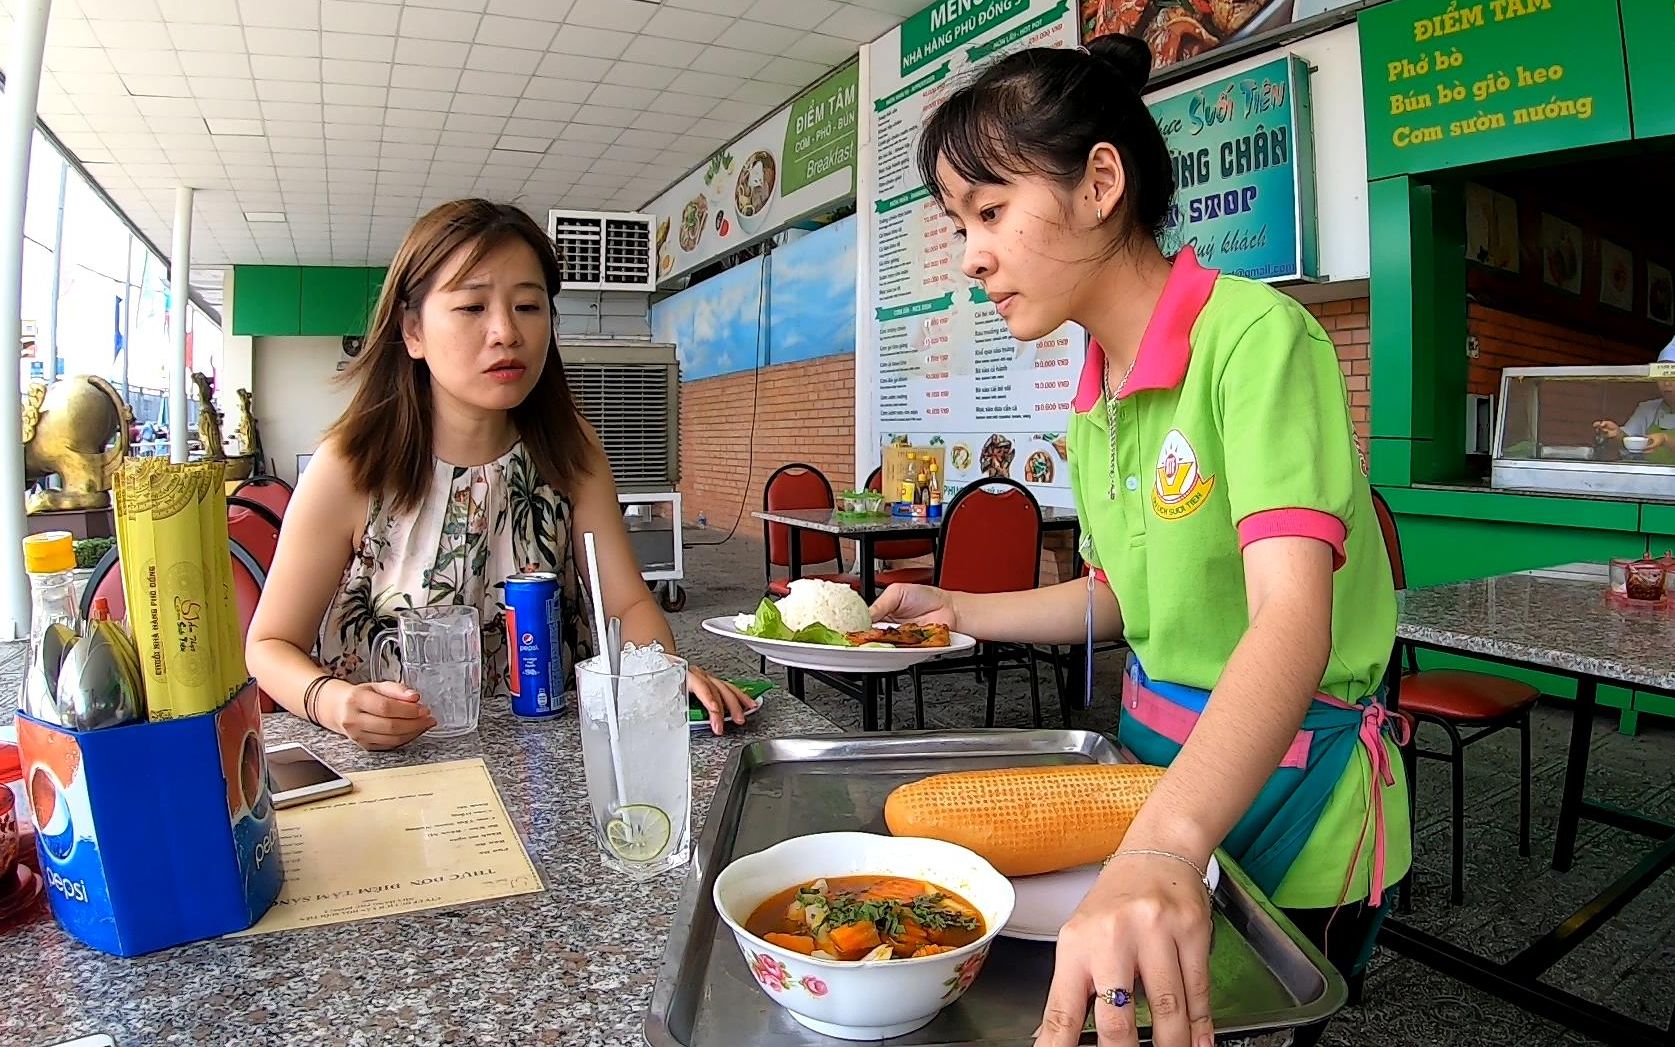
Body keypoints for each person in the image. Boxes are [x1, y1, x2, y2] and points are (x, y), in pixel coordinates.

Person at [873, 36, 1408, 1047]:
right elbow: (1127, 595)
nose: (972, 253)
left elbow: (1291, 617)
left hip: (1287, 792)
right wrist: (959, 612)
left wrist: (1166, 846)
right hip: (1156, 776)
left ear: (1100, 182)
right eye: (959, 225)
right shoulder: (1094, 404)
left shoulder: (1252, 340)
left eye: (989, 212)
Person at [246, 199, 755, 750]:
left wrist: (659, 673)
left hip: (549, 758)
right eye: (471, 308)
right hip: (397, 763)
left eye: (528, 307)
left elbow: (628, 603)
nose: (506, 333)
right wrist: (333, 701)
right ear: (412, 331)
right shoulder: (351, 465)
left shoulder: (570, 448)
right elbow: (270, 643)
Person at [1592, 335, 1675, 464]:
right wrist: (1617, 434)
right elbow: (1629, 442)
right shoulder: (1647, 409)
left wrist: (1665, 439)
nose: (1667, 383)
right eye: (1661, 376)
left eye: (1672, 376)